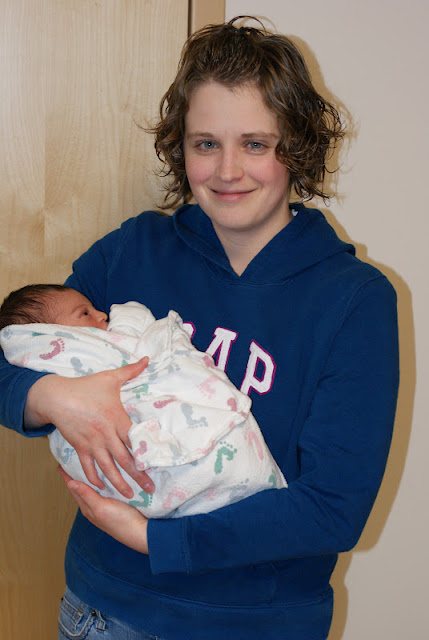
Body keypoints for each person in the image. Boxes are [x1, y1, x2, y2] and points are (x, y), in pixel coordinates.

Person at [0, 17, 399, 640]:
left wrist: (158, 540)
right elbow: (19, 343)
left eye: (256, 144)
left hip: (254, 625)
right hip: (103, 613)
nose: (227, 170)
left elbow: (333, 510)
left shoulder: (354, 300)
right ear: (179, 147)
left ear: (295, 147)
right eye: (205, 143)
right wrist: (48, 396)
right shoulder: (134, 251)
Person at [0, 284, 286, 518]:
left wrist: (146, 538)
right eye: (85, 313)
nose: (102, 315)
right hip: (110, 555)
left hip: (251, 550)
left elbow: (135, 349)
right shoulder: (68, 349)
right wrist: (49, 395)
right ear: (48, 335)